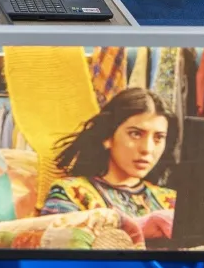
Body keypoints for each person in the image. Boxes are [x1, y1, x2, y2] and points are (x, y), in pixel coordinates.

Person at [40, 87, 178, 238]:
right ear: (107, 137)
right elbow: (58, 250)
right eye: (135, 134)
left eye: (158, 138)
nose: (147, 149)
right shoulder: (71, 193)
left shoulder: (171, 201)